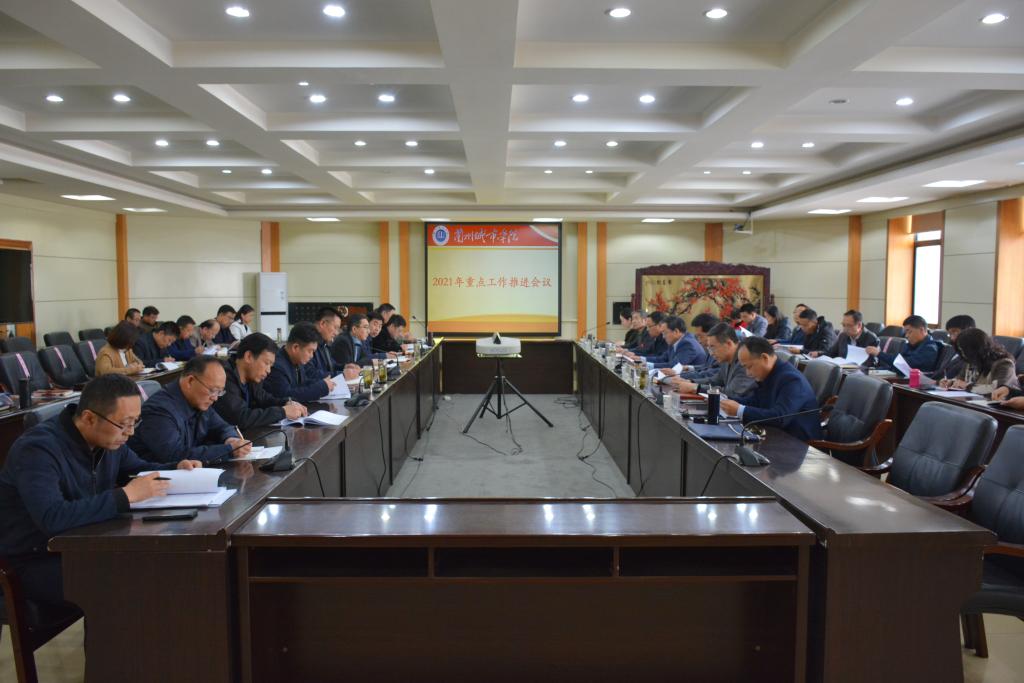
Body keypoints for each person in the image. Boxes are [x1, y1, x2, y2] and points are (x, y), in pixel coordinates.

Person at [0, 375, 201, 606]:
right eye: (124, 423)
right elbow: (52, 517)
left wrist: (176, 469)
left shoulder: (108, 440)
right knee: (132, 580)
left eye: (135, 422)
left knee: (165, 563)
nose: (130, 432)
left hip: (85, 546)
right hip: (34, 561)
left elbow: (138, 470)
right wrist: (125, 496)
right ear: (89, 418)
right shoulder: (37, 449)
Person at [128, 356, 252, 463]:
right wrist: (229, 450)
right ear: (190, 381)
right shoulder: (159, 410)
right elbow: (175, 455)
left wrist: (230, 439)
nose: (215, 398)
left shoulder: (200, 400)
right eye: (213, 390)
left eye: (219, 392)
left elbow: (223, 427)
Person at [721, 337, 823, 441]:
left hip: (800, 442)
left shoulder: (792, 380)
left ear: (764, 358)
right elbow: (755, 402)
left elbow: (780, 417)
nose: (748, 373)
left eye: (749, 367)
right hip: (776, 435)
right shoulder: (770, 373)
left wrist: (740, 410)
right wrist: (724, 401)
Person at [214, 333, 307, 430]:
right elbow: (240, 418)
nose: (268, 370)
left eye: (270, 366)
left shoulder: (252, 377)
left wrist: (287, 402)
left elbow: (264, 399)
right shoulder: (223, 377)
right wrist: (283, 412)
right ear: (249, 356)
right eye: (266, 363)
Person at [669, 323, 756, 399]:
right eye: (709, 348)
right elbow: (715, 380)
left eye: (713, 347)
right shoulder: (726, 359)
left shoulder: (744, 361)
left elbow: (731, 393)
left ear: (729, 343)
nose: (711, 354)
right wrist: (691, 382)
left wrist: (696, 388)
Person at [264, 322, 337, 402]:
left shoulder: (297, 360)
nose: (312, 356)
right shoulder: (277, 366)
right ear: (295, 347)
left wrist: (322, 383)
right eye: (310, 351)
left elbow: (302, 383)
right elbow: (285, 396)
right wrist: (321, 388)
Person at [939, 328, 1020, 396]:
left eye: (965, 351)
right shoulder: (971, 361)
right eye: (961, 350)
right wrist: (951, 382)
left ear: (977, 349)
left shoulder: (1004, 363)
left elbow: (998, 389)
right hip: (970, 401)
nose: (963, 354)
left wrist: (967, 386)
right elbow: (960, 380)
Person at [866, 315, 941, 373]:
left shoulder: (930, 348)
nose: (906, 336)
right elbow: (896, 364)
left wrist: (879, 354)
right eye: (906, 332)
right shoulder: (911, 345)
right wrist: (875, 370)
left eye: (909, 332)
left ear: (922, 330)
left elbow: (904, 364)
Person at [639, 316, 708, 369]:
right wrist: (640, 359)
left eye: (665, 333)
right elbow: (662, 359)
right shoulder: (674, 341)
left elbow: (674, 366)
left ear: (676, 331)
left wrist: (646, 365)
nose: (663, 337)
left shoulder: (687, 343)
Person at [932, 314, 976, 380]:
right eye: (950, 334)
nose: (952, 338)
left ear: (968, 331)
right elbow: (938, 372)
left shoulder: (973, 354)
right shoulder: (949, 349)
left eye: (955, 332)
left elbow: (963, 378)